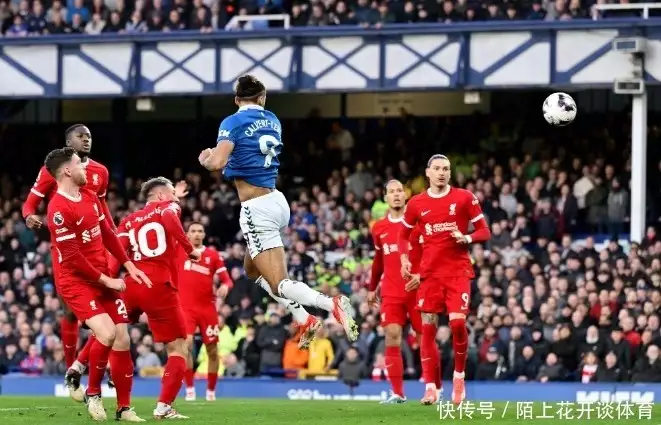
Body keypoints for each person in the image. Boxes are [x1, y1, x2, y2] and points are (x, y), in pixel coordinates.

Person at [198, 74, 357, 344]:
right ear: (262, 97)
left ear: (237, 100)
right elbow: (247, 151)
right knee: (252, 270)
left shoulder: (232, 122)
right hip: (277, 201)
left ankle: (332, 305)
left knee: (278, 283)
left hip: (256, 207)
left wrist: (206, 158)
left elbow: (217, 162)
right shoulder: (272, 119)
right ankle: (303, 318)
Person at [44, 147, 149, 421]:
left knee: (122, 337)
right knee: (107, 332)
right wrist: (107, 280)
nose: (85, 169)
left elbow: (108, 234)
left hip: (103, 274)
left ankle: (124, 408)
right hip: (77, 281)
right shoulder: (57, 208)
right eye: (80, 164)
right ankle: (93, 393)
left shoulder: (89, 195)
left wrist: (128, 265)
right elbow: (71, 257)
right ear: (67, 170)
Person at [21, 124, 113, 399]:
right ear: (68, 141)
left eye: (89, 135)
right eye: (80, 136)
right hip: (67, 248)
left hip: (97, 245)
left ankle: (81, 366)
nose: (86, 139)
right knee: (71, 312)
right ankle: (71, 368)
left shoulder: (101, 172)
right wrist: (29, 216)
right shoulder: (54, 170)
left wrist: (113, 235)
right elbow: (30, 204)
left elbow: (103, 209)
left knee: (109, 313)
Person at [398, 154, 491, 405]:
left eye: (446, 169)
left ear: (450, 173)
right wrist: (405, 259)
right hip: (429, 276)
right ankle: (431, 387)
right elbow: (403, 236)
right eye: (437, 168)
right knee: (427, 330)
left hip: (458, 272)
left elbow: (485, 231)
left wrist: (467, 238)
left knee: (457, 325)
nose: (442, 172)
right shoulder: (417, 203)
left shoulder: (464, 198)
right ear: (428, 172)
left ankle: (458, 379)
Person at [114, 177, 201, 420]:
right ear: (163, 196)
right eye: (173, 193)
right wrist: (189, 249)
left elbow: (116, 255)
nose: (176, 197)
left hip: (131, 283)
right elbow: (169, 218)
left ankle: (80, 367)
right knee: (179, 347)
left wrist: (109, 283)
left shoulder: (129, 221)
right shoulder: (169, 208)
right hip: (159, 286)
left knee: (111, 333)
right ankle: (164, 407)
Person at [368, 180, 423, 404]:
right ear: (386, 198)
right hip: (391, 291)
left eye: (400, 191)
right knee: (392, 337)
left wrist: (423, 277)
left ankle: (433, 388)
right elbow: (378, 261)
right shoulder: (378, 227)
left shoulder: (418, 224)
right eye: (392, 192)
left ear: (406, 195)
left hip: (418, 289)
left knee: (425, 338)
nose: (396, 195)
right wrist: (372, 288)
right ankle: (398, 393)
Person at [178, 222, 234, 402]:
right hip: (186, 309)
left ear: (204, 234)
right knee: (185, 347)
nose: (196, 234)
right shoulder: (179, 251)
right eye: (193, 231)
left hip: (207, 309)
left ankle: (211, 391)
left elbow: (227, 280)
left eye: (200, 231)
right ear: (187, 234)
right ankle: (190, 389)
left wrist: (225, 286)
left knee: (212, 350)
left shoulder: (212, 255)